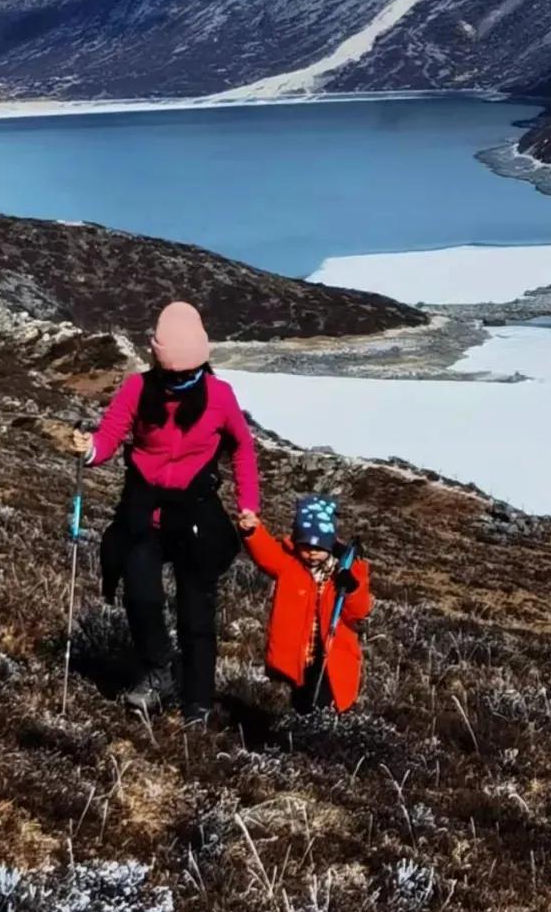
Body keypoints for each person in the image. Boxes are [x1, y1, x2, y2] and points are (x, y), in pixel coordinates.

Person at [73, 300, 260, 725]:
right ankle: (160, 669)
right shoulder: (137, 390)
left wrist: (248, 506)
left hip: (196, 515)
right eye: (172, 375)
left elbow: (243, 450)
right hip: (143, 513)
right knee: (141, 595)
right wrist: (89, 451)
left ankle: (197, 705)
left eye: (189, 374)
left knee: (197, 613)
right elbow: (109, 435)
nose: (180, 382)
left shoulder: (220, 397)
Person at [243, 494, 371, 714]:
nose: (312, 553)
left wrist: (352, 589)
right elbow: (266, 553)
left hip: (332, 661)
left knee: (325, 709)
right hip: (296, 662)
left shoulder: (348, 570)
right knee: (296, 708)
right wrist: (252, 532)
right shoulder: (288, 564)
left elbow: (357, 614)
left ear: (330, 544)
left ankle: (321, 741)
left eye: (319, 547)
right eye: (305, 546)